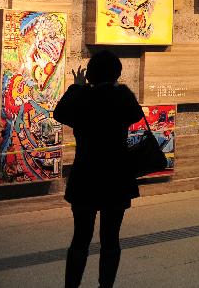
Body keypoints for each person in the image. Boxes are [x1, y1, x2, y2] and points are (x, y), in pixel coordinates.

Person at [54, 50, 144, 288]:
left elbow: (59, 113)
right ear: (117, 74)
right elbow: (137, 114)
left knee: (80, 238)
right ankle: (105, 286)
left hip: (86, 175)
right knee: (111, 240)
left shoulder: (83, 98)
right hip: (117, 177)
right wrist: (116, 88)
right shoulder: (123, 97)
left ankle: (71, 286)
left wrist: (77, 87)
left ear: (90, 74)